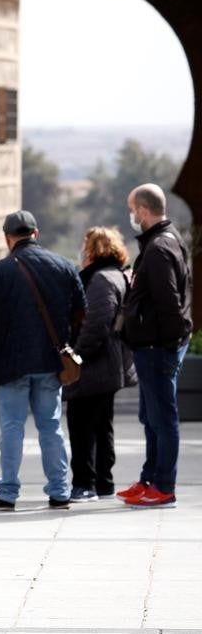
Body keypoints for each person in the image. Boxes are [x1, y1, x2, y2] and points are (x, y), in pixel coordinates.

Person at [0, 210, 85, 512]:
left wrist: (0, 338)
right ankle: (60, 490)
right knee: (51, 426)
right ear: (36, 233)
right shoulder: (64, 266)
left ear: (8, 238)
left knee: (11, 427)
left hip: (10, 363)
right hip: (50, 360)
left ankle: (7, 493)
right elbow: (80, 314)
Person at [119, 184, 192, 509]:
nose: (132, 216)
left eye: (133, 210)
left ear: (144, 211)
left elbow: (169, 303)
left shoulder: (160, 247)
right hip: (153, 346)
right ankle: (149, 478)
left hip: (157, 348)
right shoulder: (165, 240)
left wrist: (169, 343)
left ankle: (164, 487)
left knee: (163, 419)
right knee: (150, 418)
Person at [65, 227, 136, 502]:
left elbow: (96, 324)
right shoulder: (116, 275)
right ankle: (103, 482)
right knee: (101, 424)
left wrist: (77, 356)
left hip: (95, 364)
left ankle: (85, 483)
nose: (82, 250)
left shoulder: (101, 279)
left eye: (86, 244)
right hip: (109, 362)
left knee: (81, 425)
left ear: (95, 248)